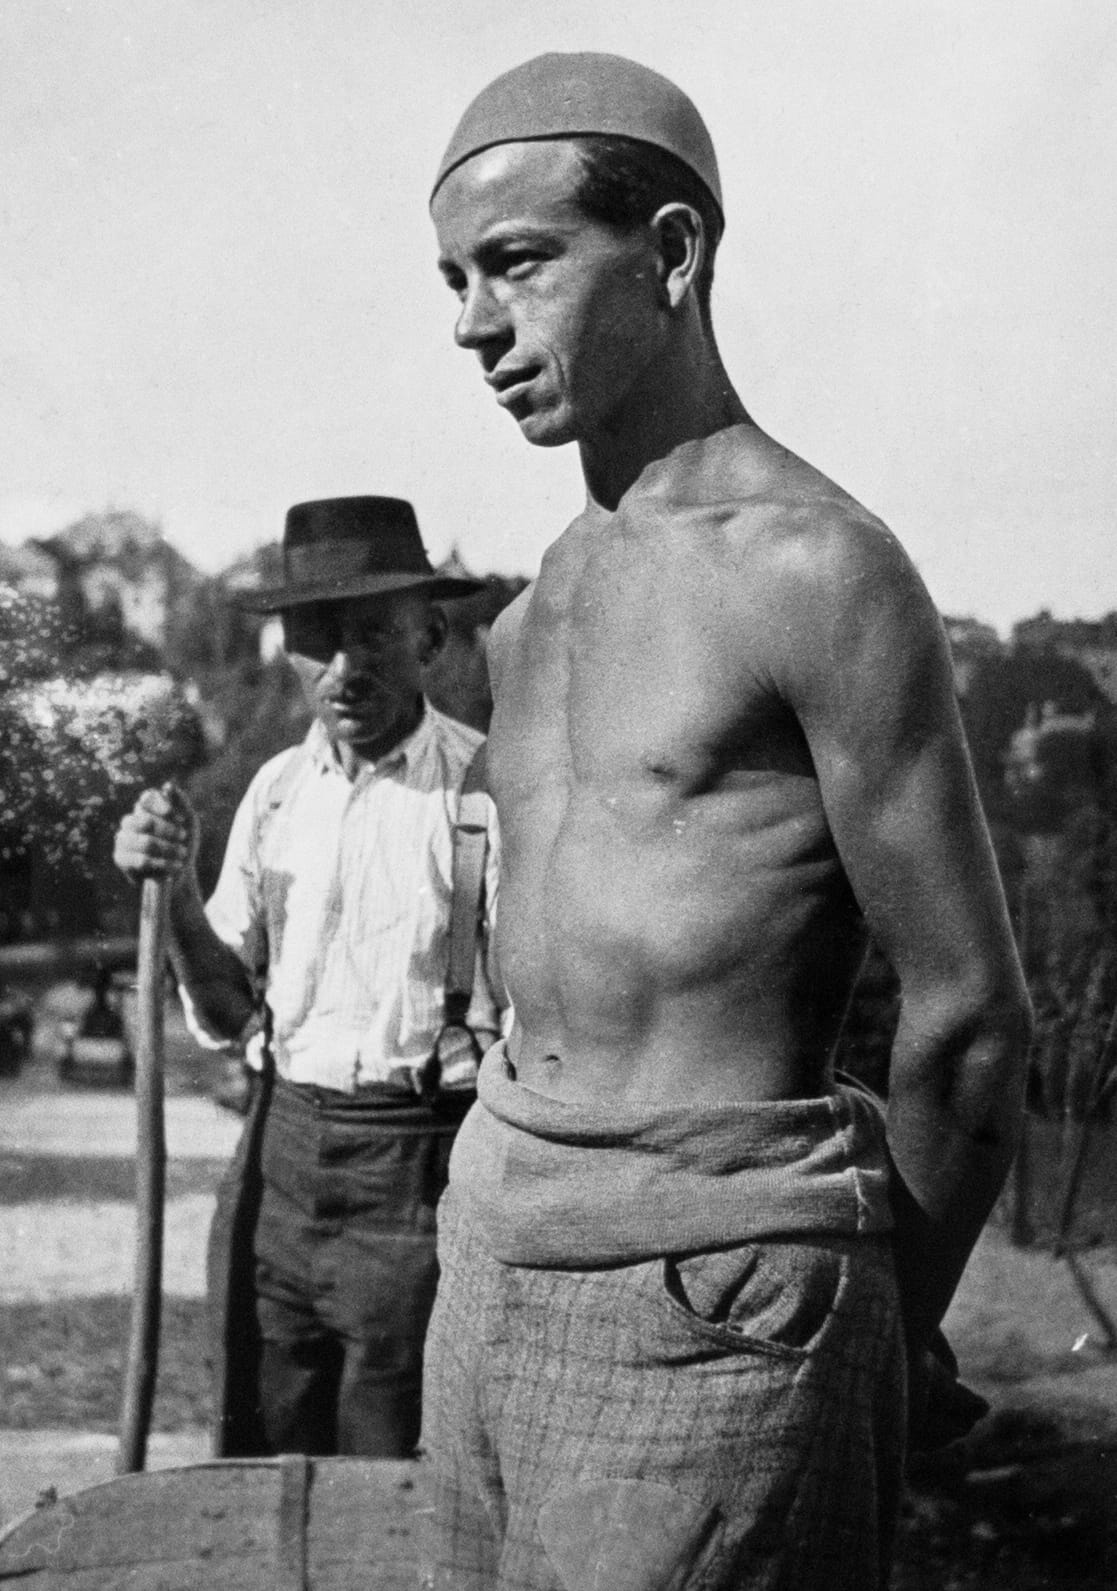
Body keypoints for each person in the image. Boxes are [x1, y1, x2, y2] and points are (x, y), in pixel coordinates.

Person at [422, 53, 1033, 1589]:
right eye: (452, 280)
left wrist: (887, 1328)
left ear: (675, 253)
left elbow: (968, 1019)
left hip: (714, 1297)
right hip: (490, 1242)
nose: (472, 325)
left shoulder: (813, 570)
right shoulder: (531, 611)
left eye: (518, 263)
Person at [113, 496, 504, 1459]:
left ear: (431, 634)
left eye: (372, 633)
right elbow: (226, 1009)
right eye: (315, 638)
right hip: (277, 1160)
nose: (342, 668)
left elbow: (543, 1033)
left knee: (392, 1487)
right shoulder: (276, 790)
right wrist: (177, 890)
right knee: (258, 1457)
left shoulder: (486, 792)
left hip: (418, 1170)